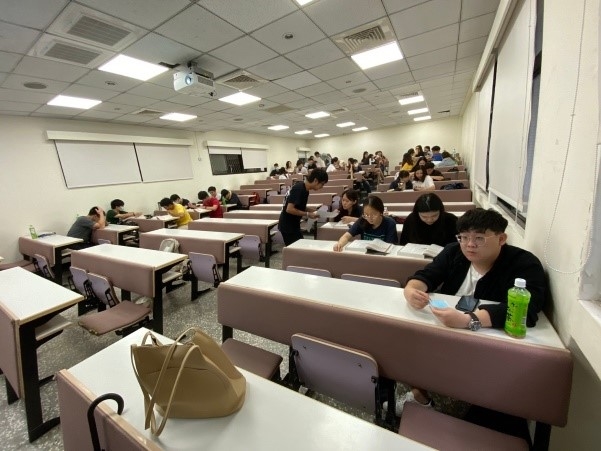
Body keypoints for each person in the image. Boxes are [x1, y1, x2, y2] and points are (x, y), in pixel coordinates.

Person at [388, 208, 546, 416]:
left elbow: (526, 310)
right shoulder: (454, 251)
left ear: (501, 239)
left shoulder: (524, 264)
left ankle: (432, 402)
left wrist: (468, 320)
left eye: (479, 238)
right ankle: (420, 396)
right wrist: (411, 290)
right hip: (442, 328)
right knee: (401, 341)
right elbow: (428, 275)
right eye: (464, 237)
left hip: (483, 343)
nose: (469, 244)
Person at [278, 168, 329, 245]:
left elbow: (299, 206)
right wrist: (308, 214)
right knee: (296, 249)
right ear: (315, 180)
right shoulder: (299, 188)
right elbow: (289, 209)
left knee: (299, 246)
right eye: (322, 184)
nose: (322, 187)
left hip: (293, 224)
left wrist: (313, 211)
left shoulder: (305, 189)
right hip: (288, 226)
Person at [333, 196, 397, 251]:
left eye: (373, 214)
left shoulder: (389, 223)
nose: (370, 218)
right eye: (366, 215)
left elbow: (390, 246)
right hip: (365, 254)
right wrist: (340, 244)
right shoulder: (363, 220)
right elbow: (346, 236)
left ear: (381, 212)